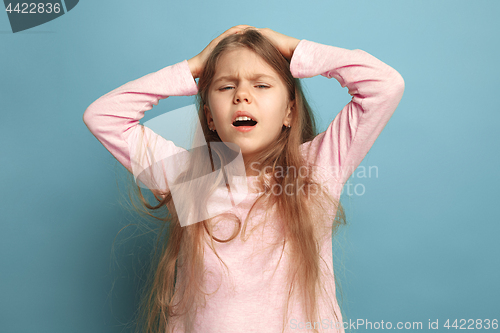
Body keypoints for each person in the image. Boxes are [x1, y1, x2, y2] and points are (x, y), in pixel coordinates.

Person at [83, 25, 404, 333]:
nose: (242, 96)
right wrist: (195, 67)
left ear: (290, 112)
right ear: (209, 116)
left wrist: (295, 49)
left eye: (261, 85)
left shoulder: (317, 168)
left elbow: (384, 85)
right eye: (226, 86)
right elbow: (104, 117)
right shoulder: (187, 177)